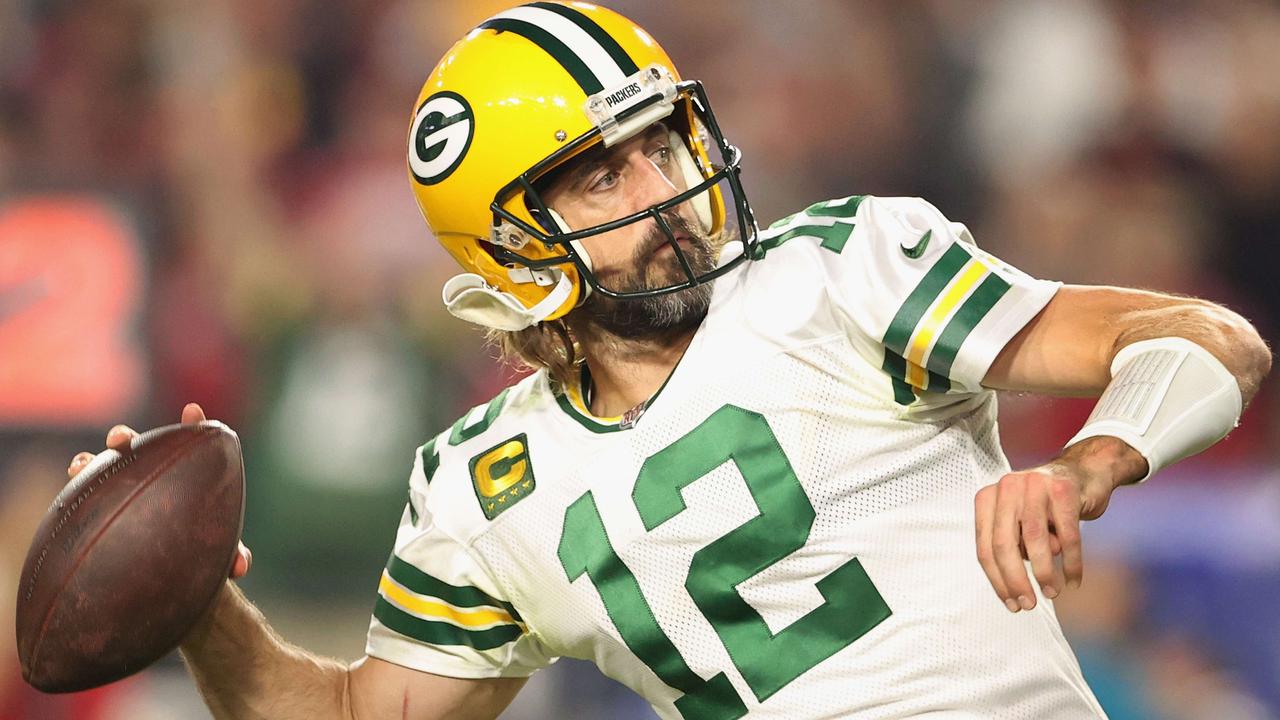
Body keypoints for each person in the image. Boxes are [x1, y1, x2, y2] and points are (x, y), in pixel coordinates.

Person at [66, 2, 1271, 718]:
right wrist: (194, 604)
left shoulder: (837, 270)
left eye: (662, 145)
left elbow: (1206, 339)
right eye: (606, 173)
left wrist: (1086, 465)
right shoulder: (481, 483)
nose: (669, 192)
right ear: (512, 246)